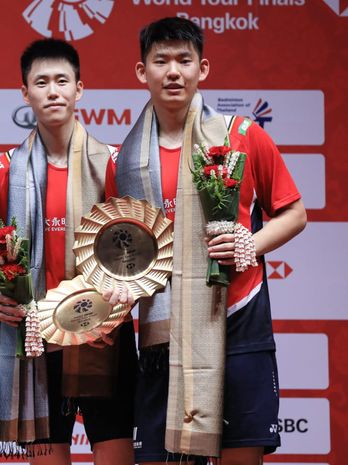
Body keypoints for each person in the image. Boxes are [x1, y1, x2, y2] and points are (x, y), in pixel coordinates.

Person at [105, 17, 307, 465]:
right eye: (161, 61)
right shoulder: (123, 161)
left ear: (204, 68)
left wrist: (249, 244)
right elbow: (118, 247)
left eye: (184, 60)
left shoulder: (243, 137)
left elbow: (295, 213)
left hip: (237, 320)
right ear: (143, 72)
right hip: (162, 337)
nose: (173, 71)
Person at [0, 38, 137, 465]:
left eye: (62, 81)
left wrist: (118, 305)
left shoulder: (113, 162)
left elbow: (136, 256)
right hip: (36, 344)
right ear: (25, 93)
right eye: (42, 82)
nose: (53, 91)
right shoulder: (3, 170)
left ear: (79, 89)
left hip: (105, 338)